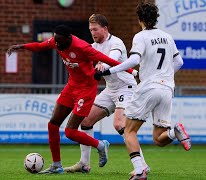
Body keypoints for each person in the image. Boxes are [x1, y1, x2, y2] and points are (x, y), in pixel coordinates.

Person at [7, 25, 135, 174]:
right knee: (53, 124)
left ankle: (100, 145)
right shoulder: (56, 42)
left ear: (69, 38)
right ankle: (56, 165)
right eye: (56, 41)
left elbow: (108, 60)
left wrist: (133, 70)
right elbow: (39, 46)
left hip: (86, 89)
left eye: (60, 42)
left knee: (70, 132)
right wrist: (21, 46)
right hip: (71, 86)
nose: (58, 45)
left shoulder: (82, 47)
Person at [94, 2, 191, 180]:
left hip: (148, 87)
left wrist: (109, 70)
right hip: (167, 88)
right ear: (156, 18)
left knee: (128, 131)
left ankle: (140, 171)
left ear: (140, 19)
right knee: (159, 138)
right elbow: (179, 63)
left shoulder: (141, 36)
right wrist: (165, 75)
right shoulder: (167, 36)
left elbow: (133, 61)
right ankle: (174, 132)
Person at [64, 14, 150, 174]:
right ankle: (84, 163)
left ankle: (142, 165)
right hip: (110, 90)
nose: (93, 33)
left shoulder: (116, 43)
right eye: (90, 30)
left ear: (104, 28)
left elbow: (113, 58)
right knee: (86, 120)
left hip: (126, 87)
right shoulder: (92, 46)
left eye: (95, 29)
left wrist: (103, 64)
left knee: (120, 124)